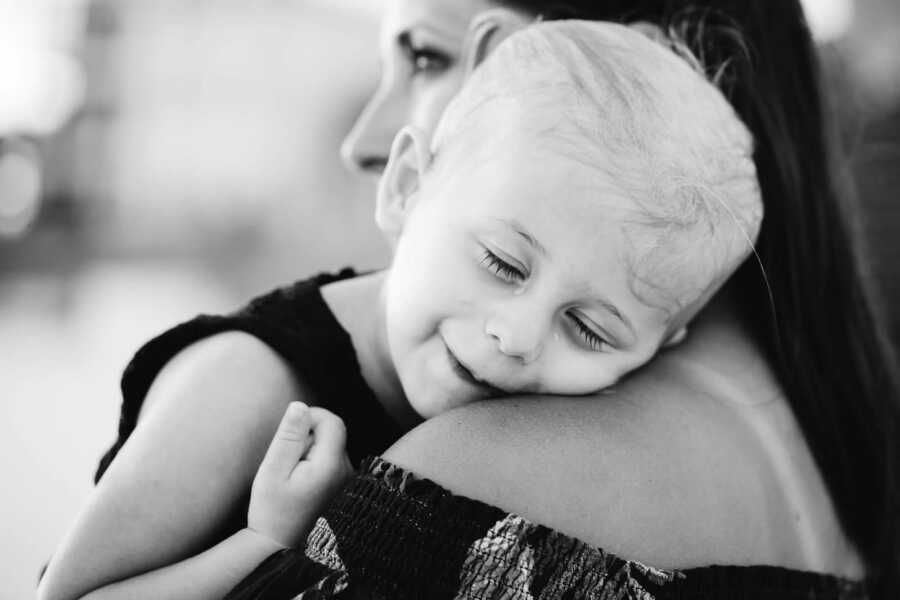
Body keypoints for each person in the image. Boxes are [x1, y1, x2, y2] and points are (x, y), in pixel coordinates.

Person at [37, 0, 900, 598]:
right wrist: (267, 549)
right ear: (415, 182)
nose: (518, 337)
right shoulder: (253, 379)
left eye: (592, 329)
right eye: (501, 261)